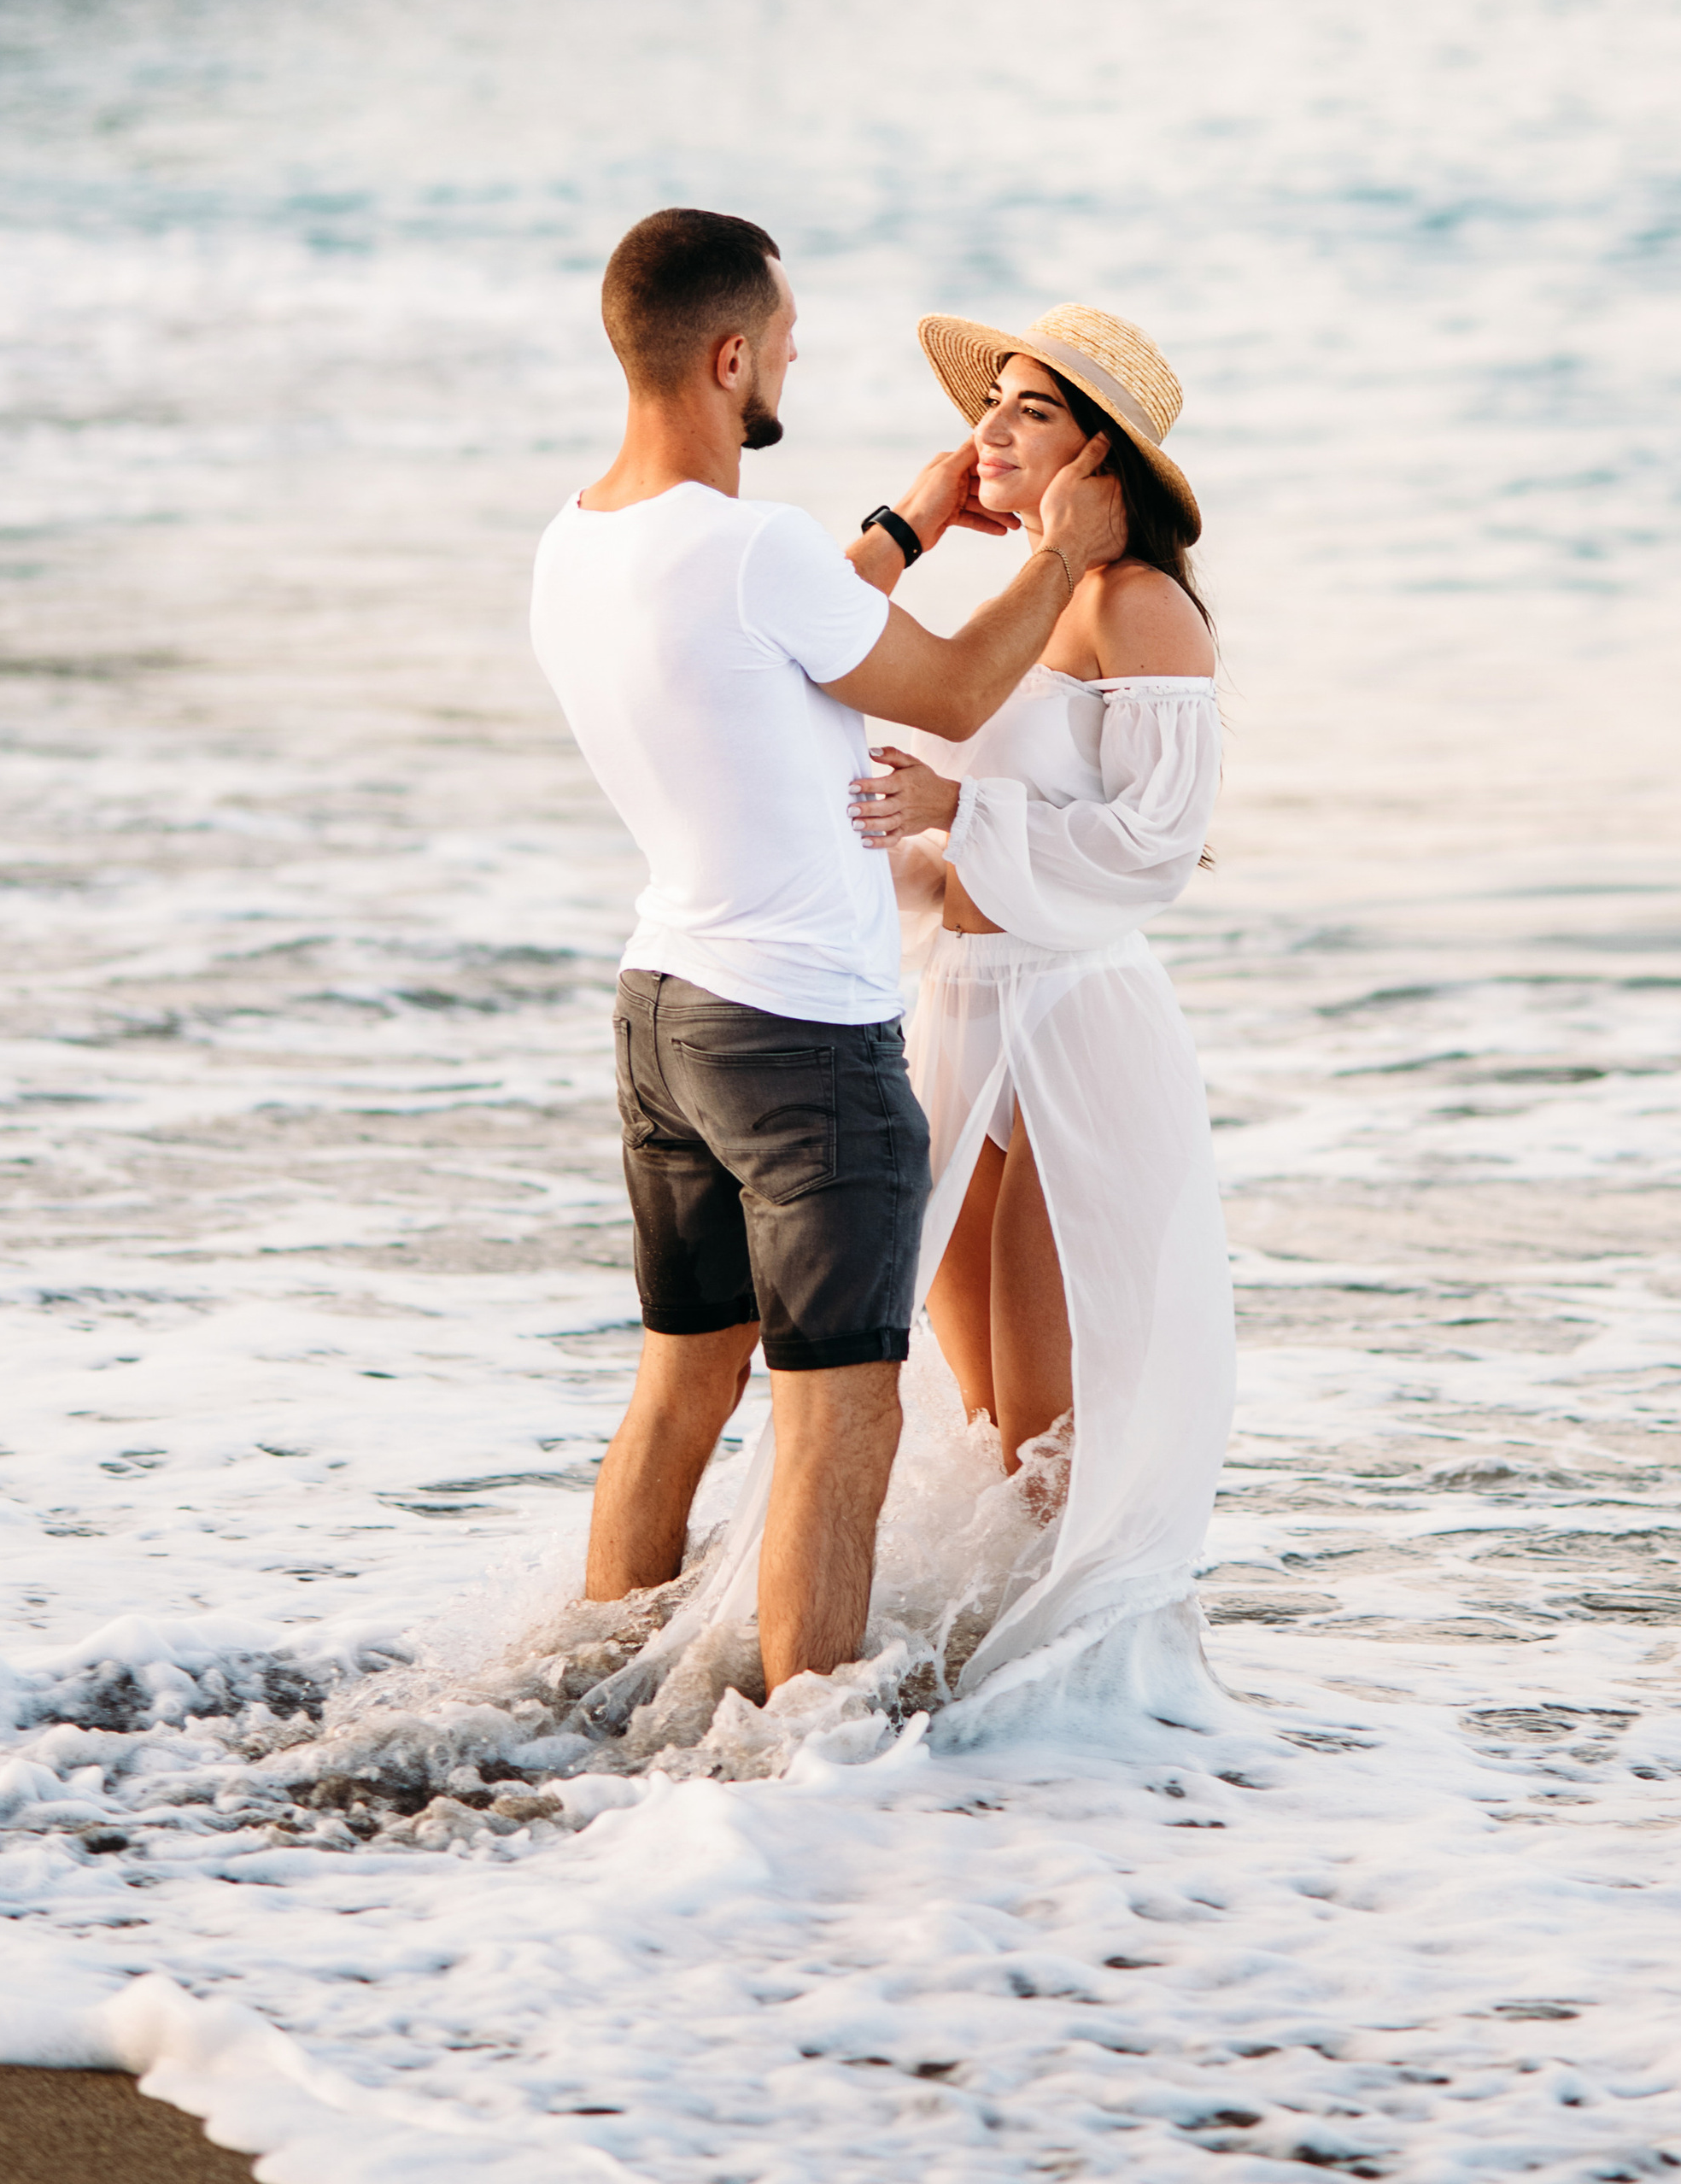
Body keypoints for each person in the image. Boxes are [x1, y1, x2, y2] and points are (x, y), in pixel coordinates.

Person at [529, 213, 1124, 1697]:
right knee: (839, 1417)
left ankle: (583, 1698)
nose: (792, 362)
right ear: (732, 358)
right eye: (785, 346)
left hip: (666, 1010)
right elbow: (954, 682)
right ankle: (804, 1772)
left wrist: (916, 525)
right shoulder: (753, 549)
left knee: (682, 1380)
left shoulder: (586, 538)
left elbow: (774, 631)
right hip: (800, 1036)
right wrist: (1061, 558)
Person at [849, 303, 1234, 1699]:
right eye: (992, 404)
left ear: (1100, 458)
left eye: (1031, 413)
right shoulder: (1016, 598)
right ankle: (969, 1699)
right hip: (963, 1008)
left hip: (1073, 1028)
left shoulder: (1138, 603)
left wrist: (960, 806)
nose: (992, 430)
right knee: (982, 1421)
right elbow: (823, 654)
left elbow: (1152, 849)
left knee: (1046, 1430)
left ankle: (1061, 1722)